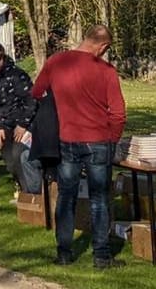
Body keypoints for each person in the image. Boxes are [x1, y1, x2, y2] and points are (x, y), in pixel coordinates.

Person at [31, 25, 127, 269]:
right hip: (98, 140)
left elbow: (37, 91)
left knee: (66, 196)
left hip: (67, 138)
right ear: (103, 46)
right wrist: (113, 139)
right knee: (99, 199)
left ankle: (64, 252)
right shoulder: (106, 71)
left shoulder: (57, 62)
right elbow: (117, 113)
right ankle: (101, 255)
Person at [0, 41, 42, 193]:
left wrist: (23, 125)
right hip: (6, 125)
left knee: (19, 157)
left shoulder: (17, 75)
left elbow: (32, 99)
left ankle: (31, 192)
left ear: (3, 58)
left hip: (24, 125)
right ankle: (22, 189)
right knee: (9, 160)